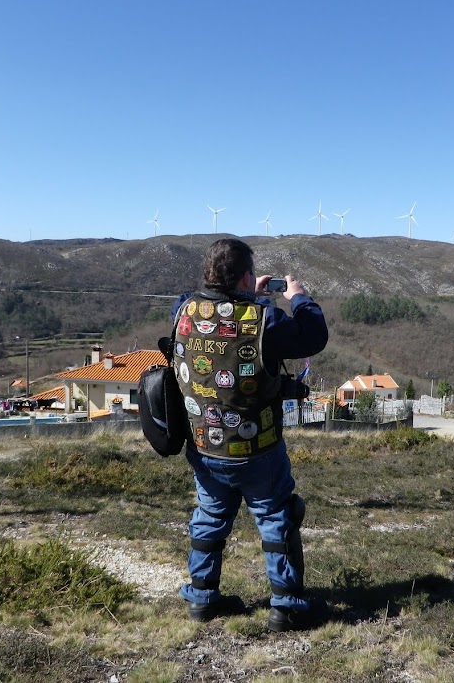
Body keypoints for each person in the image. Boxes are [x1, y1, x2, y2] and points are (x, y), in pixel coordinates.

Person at [171, 238, 329, 632]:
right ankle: (286, 605)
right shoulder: (264, 319)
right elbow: (313, 336)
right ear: (246, 274)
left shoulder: (183, 310)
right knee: (276, 516)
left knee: (209, 517)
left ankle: (203, 598)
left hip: (206, 444)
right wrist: (299, 298)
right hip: (259, 446)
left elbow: (206, 308)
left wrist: (244, 294)